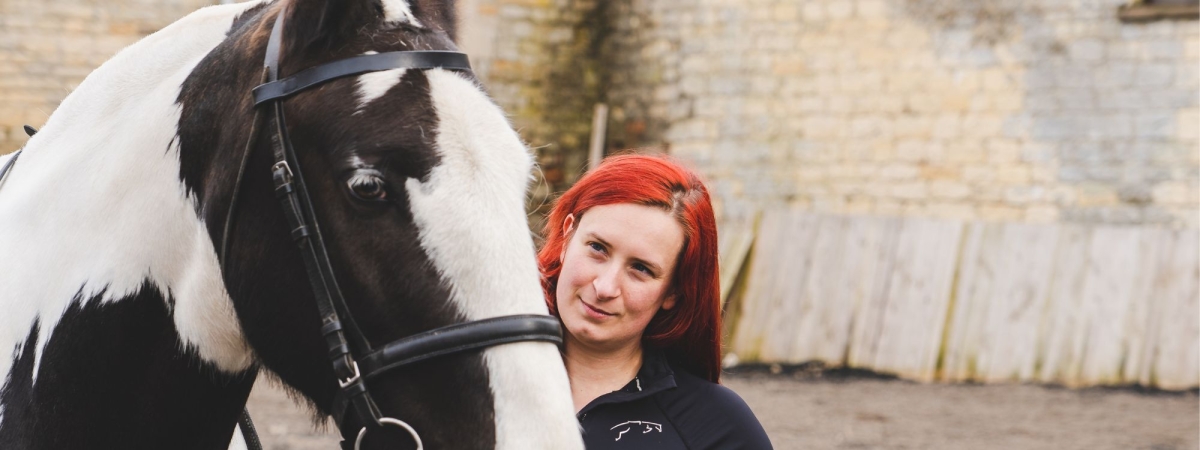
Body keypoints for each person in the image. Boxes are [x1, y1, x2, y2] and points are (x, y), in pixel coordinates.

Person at [538, 154, 773, 449]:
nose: (605, 287)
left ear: (673, 292)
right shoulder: (473, 375)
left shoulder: (716, 427)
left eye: (641, 269)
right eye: (597, 248)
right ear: (567, 236)